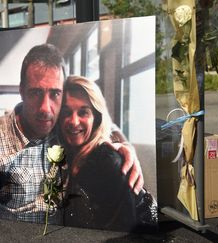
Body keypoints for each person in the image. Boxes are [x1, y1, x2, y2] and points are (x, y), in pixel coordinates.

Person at [0, 43, 144, 224]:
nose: (45, 108)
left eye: (55, 94)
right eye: (35, 93)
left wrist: (124, 147)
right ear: (21, 91)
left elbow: (97, 123)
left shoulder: (59, 125)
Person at [59, 76, 157, 231]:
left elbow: (126, 233)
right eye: (66, 112)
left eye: (83, 112)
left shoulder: (108, 162)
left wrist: (125, 147)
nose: (74, 121)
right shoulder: (64, 152)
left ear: (96, 118)